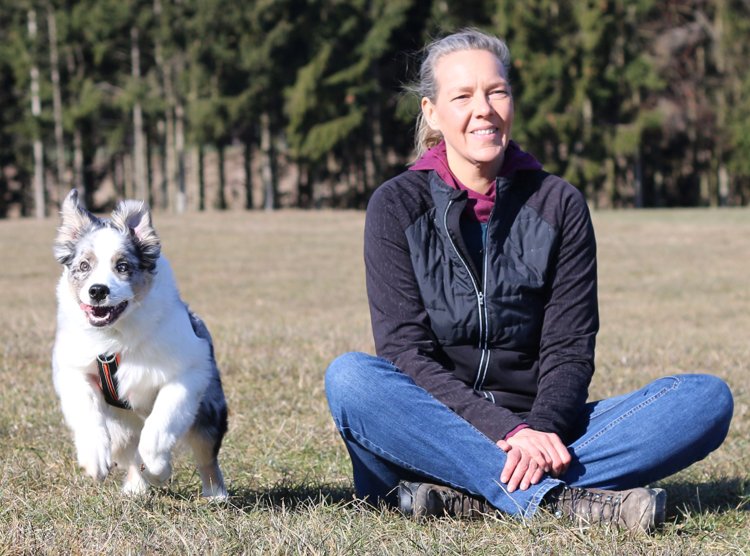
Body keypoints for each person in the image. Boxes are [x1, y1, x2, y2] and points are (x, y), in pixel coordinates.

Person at [324, 28, 733, 533]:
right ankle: (558, 501)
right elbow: (405, 353)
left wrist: (537, 429)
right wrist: (508, 432)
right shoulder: (395, 205)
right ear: (431, 112)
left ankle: (470, 496)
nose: (485, 109)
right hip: (431, 430)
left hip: (547, 432)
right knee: (351, 379)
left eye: (497, 92)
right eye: (463, 96)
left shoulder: (559, 203)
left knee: (705, 400)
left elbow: (569, 349)